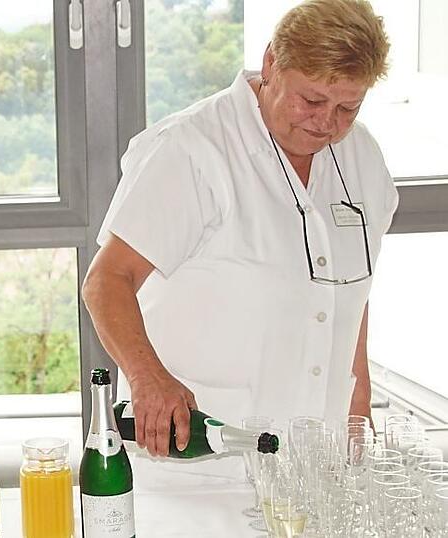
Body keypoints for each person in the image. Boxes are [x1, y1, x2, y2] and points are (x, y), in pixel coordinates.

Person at [83, 0, 395, 490]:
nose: (326, 123)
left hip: (318, 468)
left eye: (347, 108)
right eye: (311, 101)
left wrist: (359, 404)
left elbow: (350, 291)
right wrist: (148, 378)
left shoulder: (363, 158)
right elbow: (107, 280)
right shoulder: (192, 149)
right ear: (272, 63)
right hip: (204, 470)